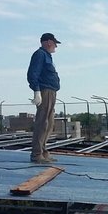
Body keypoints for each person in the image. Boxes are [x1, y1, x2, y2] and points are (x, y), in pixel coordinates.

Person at [27, 32, 62, 164]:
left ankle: (43, 151)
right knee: (42, 123)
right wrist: (37, 91)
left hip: (51, 91)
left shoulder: (46, 55)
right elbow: (33, 73)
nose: (55, 47)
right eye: (54, 44)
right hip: (45, 91)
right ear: (49, 42)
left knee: (49, 123)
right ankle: (36, 154)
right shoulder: (40, 54)